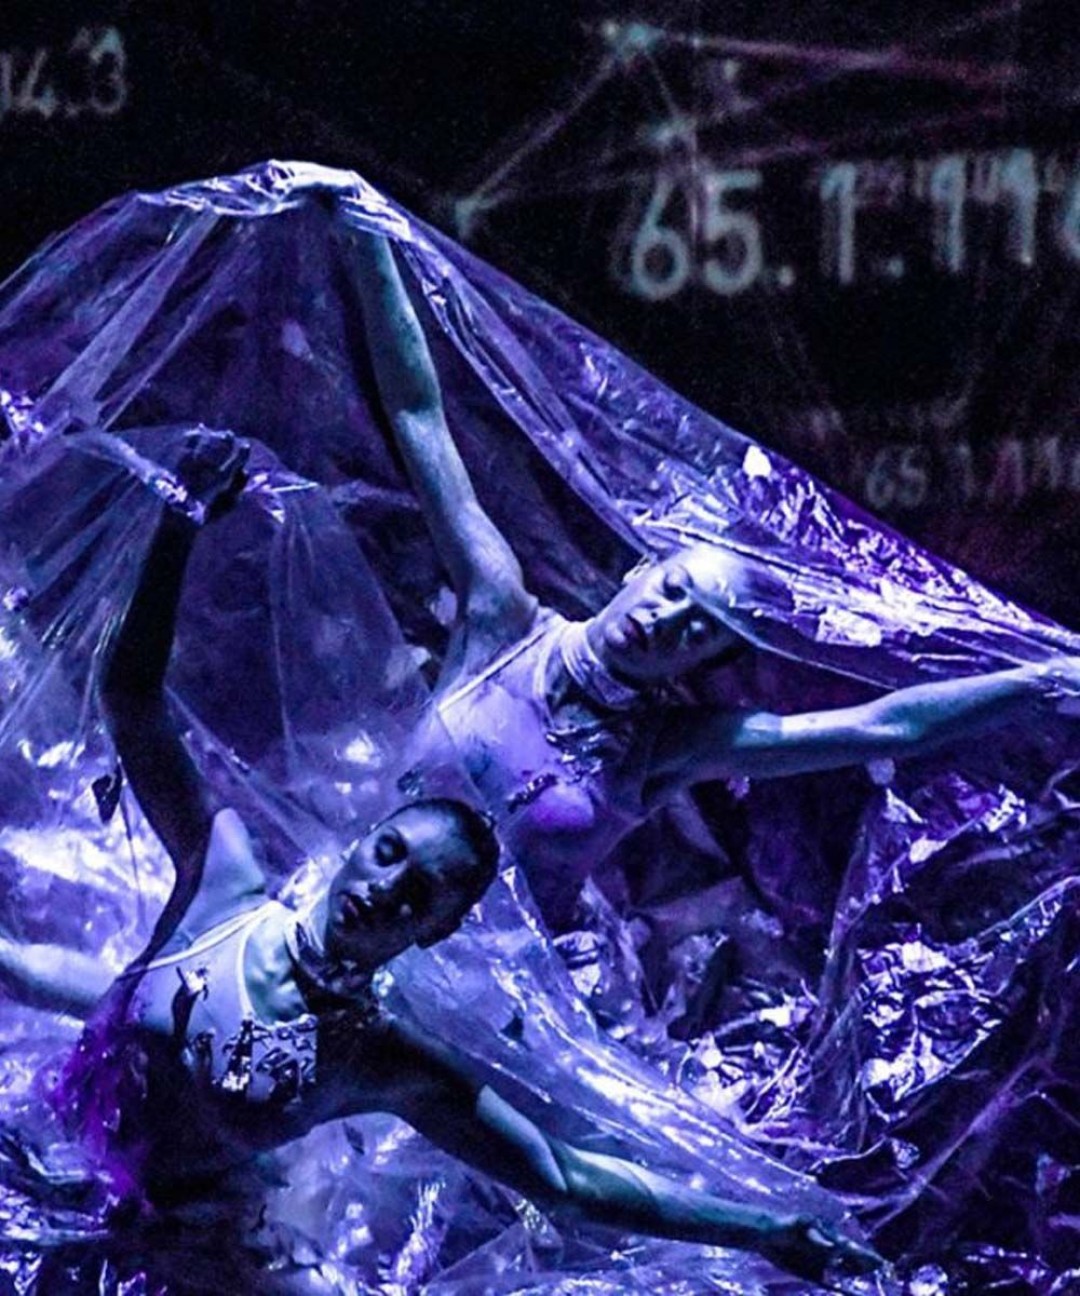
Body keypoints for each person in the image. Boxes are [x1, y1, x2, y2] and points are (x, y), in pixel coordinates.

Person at [0, 428, 882, 1287]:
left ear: (435, 930)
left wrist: (761, 1229)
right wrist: (180, 519)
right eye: (389, 855)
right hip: (43, 1157)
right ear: (359, 845)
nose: (388, 889)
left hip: (175, 1257)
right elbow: (132, 697)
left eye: (420, 895)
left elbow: (566, 1179)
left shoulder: (381, 1058)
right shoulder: (222, 874)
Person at [352, 232, 1080, 930]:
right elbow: (419, 415)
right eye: (674, 591)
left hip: (484, 995)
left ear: (700, 662)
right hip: (348, 916)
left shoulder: (663, 750)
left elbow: (885, 726)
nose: (668, 619)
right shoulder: (501, 619)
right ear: (642, 570)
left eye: (700, 627)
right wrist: (366, 235)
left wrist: (1043, 681)